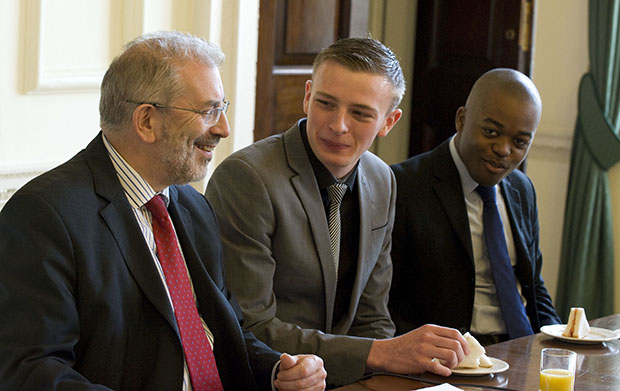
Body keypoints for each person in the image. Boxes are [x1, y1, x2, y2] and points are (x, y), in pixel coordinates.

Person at [0, 31, 326, 391]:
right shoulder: (44, 216)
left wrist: (276, 373)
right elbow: (32, 370)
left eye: (222, 108)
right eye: (208, 111)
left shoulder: (192, 207)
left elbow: (221, 332)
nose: (223, 128)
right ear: (146, 122)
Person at [206, 37, 469, 387]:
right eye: (326, 104)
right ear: (307, 96)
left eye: (360, 113)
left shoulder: (382, 180)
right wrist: (381, 353)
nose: (338, 125)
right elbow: (250, 328)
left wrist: (378, 364)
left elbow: (373, 318)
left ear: (389, 121)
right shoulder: (247, 178)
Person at [389, 68, 561, 346]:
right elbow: (382, 301)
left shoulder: (522, 189)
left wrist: (560, 342)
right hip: (447, 358)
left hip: (520, 347)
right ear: (461, 120)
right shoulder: (404, 186)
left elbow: (534, 285)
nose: (504, 150)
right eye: (491, 132)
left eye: (519, 142)